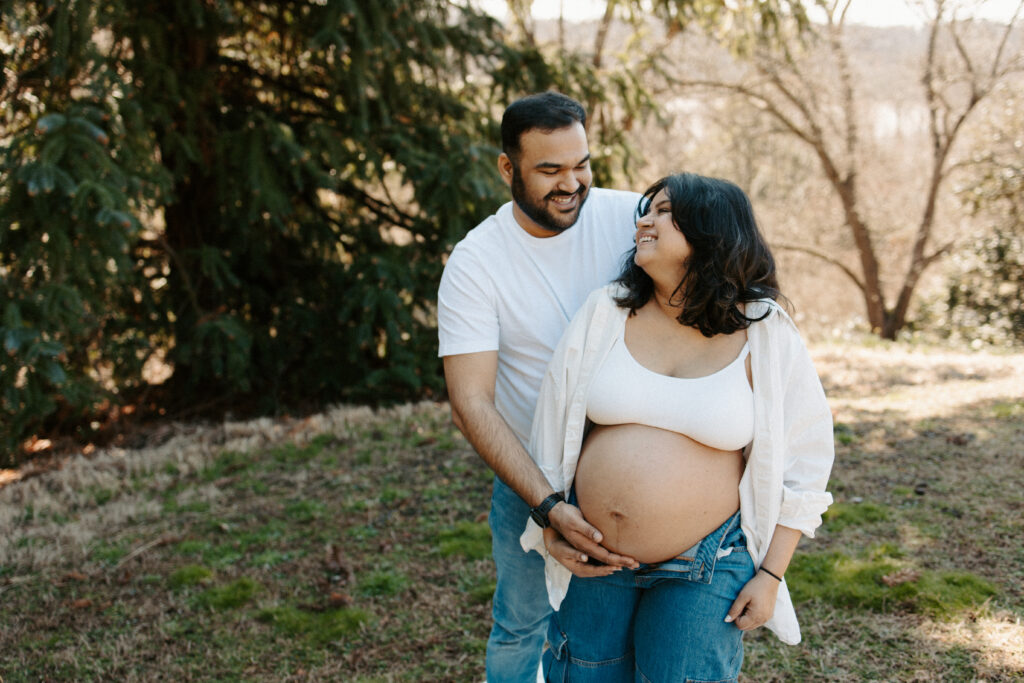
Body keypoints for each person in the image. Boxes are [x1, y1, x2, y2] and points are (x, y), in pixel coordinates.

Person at [520, 172, 835, 682]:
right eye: (647, 209)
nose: (645, 220)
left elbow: (807, 459)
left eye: (665, 211)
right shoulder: (607, 311)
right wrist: (551, 525)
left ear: (710, 231)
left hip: (706, 564)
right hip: (594, 555)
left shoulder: (762, 328)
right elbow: (551, 432)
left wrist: (772, 574)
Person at [437, 91, 642, 683]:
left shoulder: (634, 218)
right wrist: (547, 504)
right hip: (532, 476)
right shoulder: (477, 262)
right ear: (508, 168)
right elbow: (470, 400)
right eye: (549, 170)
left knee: (608, 635)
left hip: (631, 474)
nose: (571, 183)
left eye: (581, 164)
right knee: (523, 625)